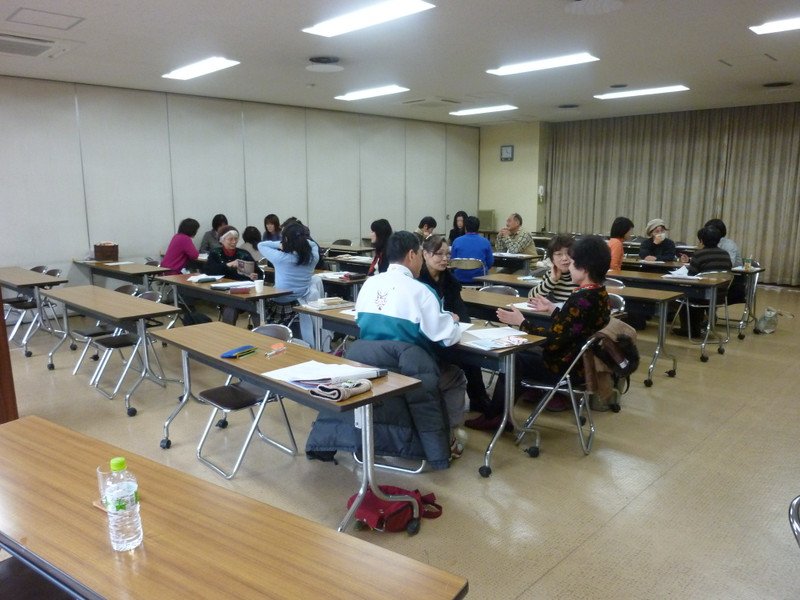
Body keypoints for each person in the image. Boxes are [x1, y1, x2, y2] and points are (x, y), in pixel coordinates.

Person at [466, 236, 611, 430]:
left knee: (512, 358)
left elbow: (553, 340)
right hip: (577, 362)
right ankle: (501, 413)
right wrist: (553, 309)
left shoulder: (581, 299)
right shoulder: (599, 293)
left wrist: (522, 322)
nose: (569, 265)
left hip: (563, 367)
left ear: (584, 269)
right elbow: (574, 327)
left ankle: (496, 417)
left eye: (573, 262)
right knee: (519, 352)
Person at [356, 231, 467, 457]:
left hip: (371, 369)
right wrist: (453, 322)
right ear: (411, 255)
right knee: (455, 376)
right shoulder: (420, 291)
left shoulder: (369, 284)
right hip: (408, 373)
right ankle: (448, 438)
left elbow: (359, 321)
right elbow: (447, 336)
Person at [418, 235, 492, 413]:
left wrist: (462, 326)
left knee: (471, 355)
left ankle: (479, 399)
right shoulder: (418, 281)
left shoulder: (451, 281)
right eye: (439, 254)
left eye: (447, 254)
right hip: (426, 336)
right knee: (457, 355)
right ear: (425, 254)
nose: (445, 258)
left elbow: (461, 313)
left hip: (449, 332)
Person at [258, 221, 320, 328]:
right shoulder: (313, 258)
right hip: (302, 300)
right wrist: (300, 242)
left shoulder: (281, 258)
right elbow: (313, 244)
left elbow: (261, 245)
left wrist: (280, 244)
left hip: (281, 302)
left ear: (285, 239)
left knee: (258, 306)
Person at [674, 225, 733, 337]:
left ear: (701, 240)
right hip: (721, 295)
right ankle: (698, 326)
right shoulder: (725, 254)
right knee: (697, 291)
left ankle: (688, 329)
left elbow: (691, 276)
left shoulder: (699, 254)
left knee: (682, 294)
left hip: (702, 296)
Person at [205, 226, 263, 325]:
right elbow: (209, 271)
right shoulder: (215, 253)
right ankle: (229, 333)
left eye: (236, 239)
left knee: (256, 307)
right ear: (222, 240)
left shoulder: (244, 253)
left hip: (245, 291)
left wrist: (254, 276)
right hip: (225, 293)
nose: (234, 242)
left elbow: (258, 272)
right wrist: (227, 265)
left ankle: (262, 331)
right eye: (230, 239)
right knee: (231, 307)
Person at [529, 234, 575, 303]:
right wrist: (552, 280)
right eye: (559, 254)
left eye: (569, 253)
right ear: (552, 259)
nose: (564, 258)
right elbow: (532, 298)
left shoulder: (583, 274)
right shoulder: (551, 274)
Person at [450, 216, 494, 283]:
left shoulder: (456, 241)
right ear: (478, 228)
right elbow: (490, 263)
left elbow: (453, 262)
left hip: (460, 277)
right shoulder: (485, 242)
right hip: (480, 277)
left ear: (465, 227)